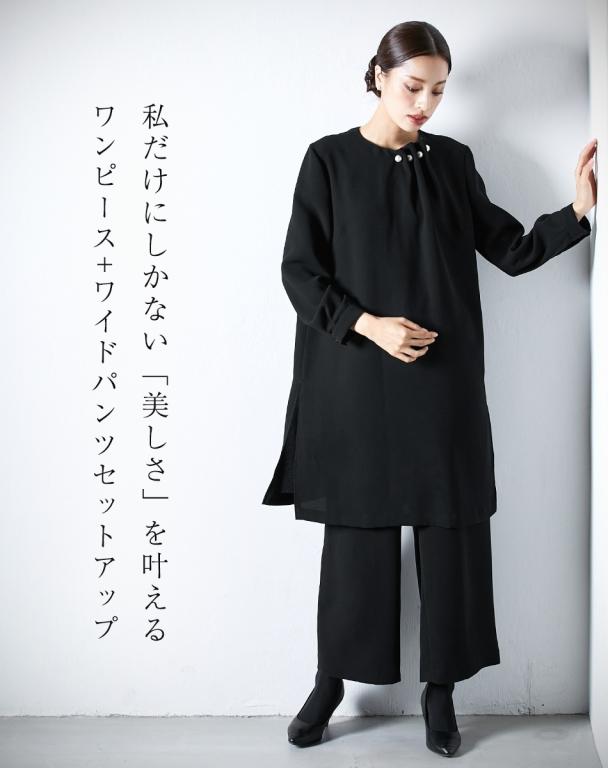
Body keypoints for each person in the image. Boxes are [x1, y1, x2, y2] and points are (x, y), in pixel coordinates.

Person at [261, 20, 597, 757]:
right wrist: (368, 325)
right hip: (356, 379)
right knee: (357, 533)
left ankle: (441, 691)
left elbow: (508, 247)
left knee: (453, 531)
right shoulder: (328, 160)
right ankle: (330, 683)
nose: (425, 104)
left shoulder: (451, 162)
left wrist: (576, 211)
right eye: (413, 86)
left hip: (442, 382)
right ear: (379, 76)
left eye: (439, 91)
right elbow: (299, 271)